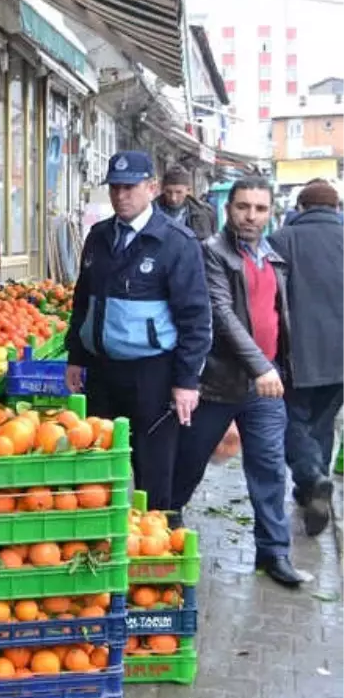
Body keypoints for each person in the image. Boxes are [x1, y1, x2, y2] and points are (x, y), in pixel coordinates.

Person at [170, 178, 307, 587]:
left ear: (270, 213)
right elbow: (222, 317)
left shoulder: (272, 256)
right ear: (228, 209)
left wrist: (281, 367)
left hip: (265, 388)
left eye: (260, 209)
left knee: (268, 469)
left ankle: (274, 552)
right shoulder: (210, 253)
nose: (251, 216)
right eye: (244, 207)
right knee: (188, 465)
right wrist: (261, 367)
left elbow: (279, 318)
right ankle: (164, 536)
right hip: (216, 384)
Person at [65, 151, 212, 515]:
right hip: (101, 371)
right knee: (98, 463)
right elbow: (83, 301)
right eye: (114, 188)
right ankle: (100, 540)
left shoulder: (177, 242)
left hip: (152, 374)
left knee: (152, 469)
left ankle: (155, 542)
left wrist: (186, 381)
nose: (120, 196)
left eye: (129, 187)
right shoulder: (99, 236)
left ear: (152, 188)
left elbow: (196, 318)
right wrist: (75, 356)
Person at [268, 179, 344, 536]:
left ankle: (312, 477)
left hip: (297, 354)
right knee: (323, 422)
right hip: (340, 359)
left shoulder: (282, 240)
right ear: (335, 208)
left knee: (291, 422)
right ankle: (311, 489)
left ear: (301, 207)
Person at [157, 164, 215, 239]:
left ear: (188, 190)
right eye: (168, 192)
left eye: (178, 192)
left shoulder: (205, 213)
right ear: (162, 189)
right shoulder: (150, 211)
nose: (173, 198)